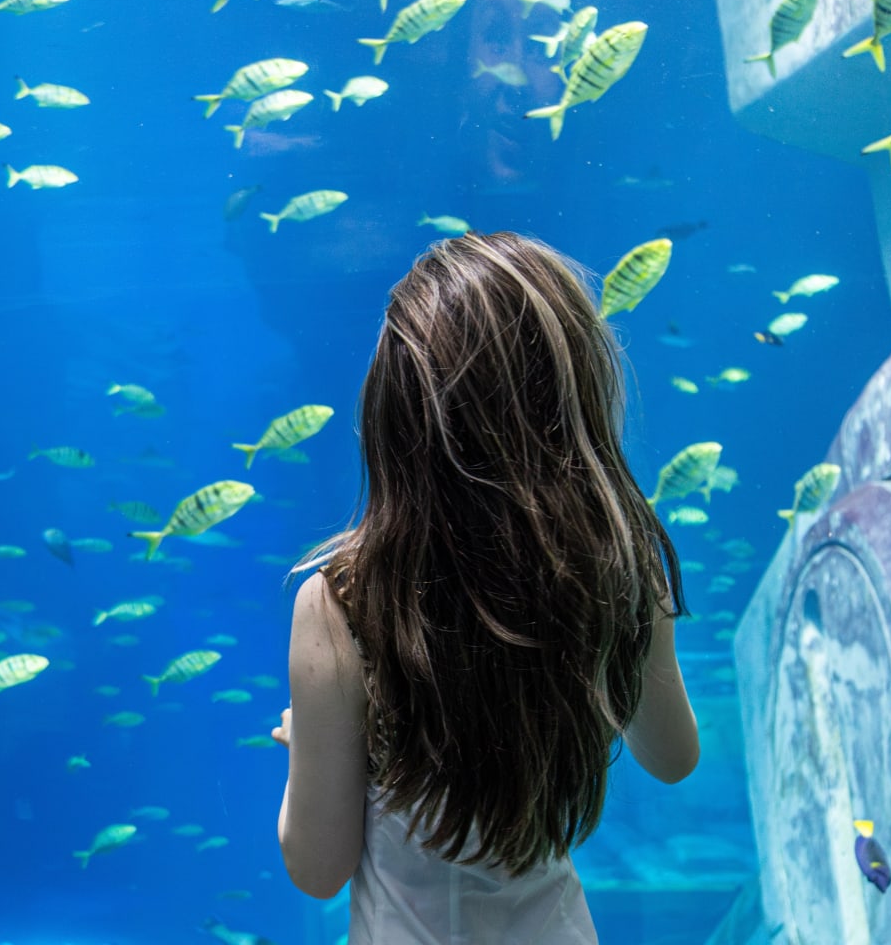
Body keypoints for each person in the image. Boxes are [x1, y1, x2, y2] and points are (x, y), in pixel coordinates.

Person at [274, 231, 698, 943]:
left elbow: (318, 867)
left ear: (393, 413)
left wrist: (311, 751)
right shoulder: (620, 559)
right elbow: (672, 756)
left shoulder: (341, 600)